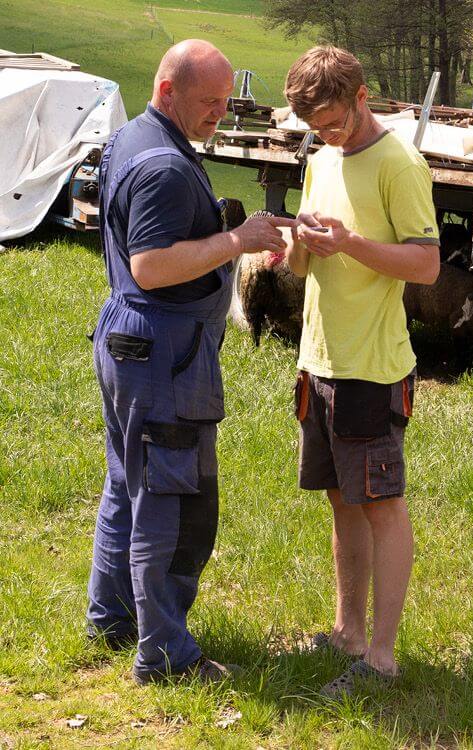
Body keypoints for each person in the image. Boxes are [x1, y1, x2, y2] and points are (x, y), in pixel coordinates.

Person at [87, 39, 296, 684]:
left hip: (135, 341)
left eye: (225, 101)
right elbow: (152, 267)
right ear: (166, 89)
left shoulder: (133, 138)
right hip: (165, 351)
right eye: (208, 102)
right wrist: (239, 239)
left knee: (130, 479)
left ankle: (113, 618)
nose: (219, 114)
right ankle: (165, 656)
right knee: (171, 499)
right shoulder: (163, 167)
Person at [281, 45, 440, 696]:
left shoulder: (399, 163)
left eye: (335, 122)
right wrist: (294, 245)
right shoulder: (320, 160)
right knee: (342, 500)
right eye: (317, 128)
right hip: (318, 361)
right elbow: (304, 266)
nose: (328, 135)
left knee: (383, 507)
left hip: (371, 370)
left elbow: (426, 266)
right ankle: (347, 631)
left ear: (361, 95)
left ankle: (381, 657)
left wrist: (348, 244)